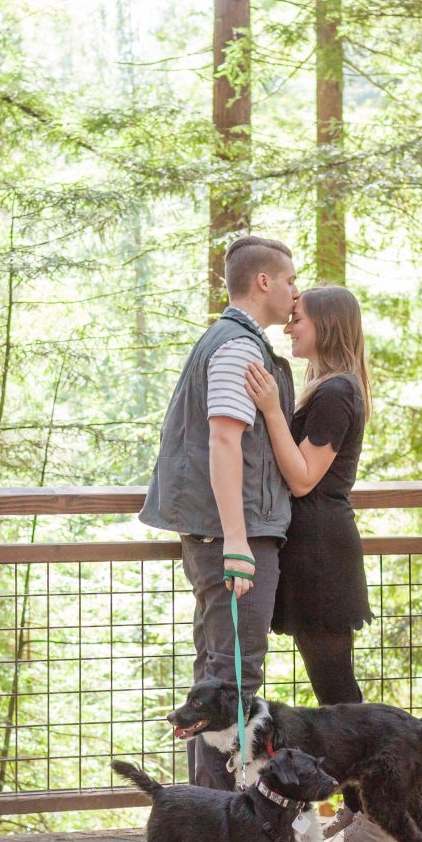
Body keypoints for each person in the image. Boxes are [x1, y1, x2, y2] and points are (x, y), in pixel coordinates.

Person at [140, 235, 299, 791]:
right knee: (232, 681)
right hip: (234, 538)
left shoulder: (231, 341)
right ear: (263, 283)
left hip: (228, 534)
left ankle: (211, 819)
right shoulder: (238, 348)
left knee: (219, 674)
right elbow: (225, 442)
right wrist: (237, 540)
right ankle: (219, 824)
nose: (294, 291)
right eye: (289, 280)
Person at [243, 284, 396, 842]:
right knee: (334, 691)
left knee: (338, 691)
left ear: (326, 326)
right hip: (312, 547)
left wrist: (269, 411)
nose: (289, 326)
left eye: (299, 319)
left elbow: (305, 476)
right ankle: (364, 811)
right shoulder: (327, 387)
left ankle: (378, 816)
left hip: (322, 552)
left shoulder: (335, 392)